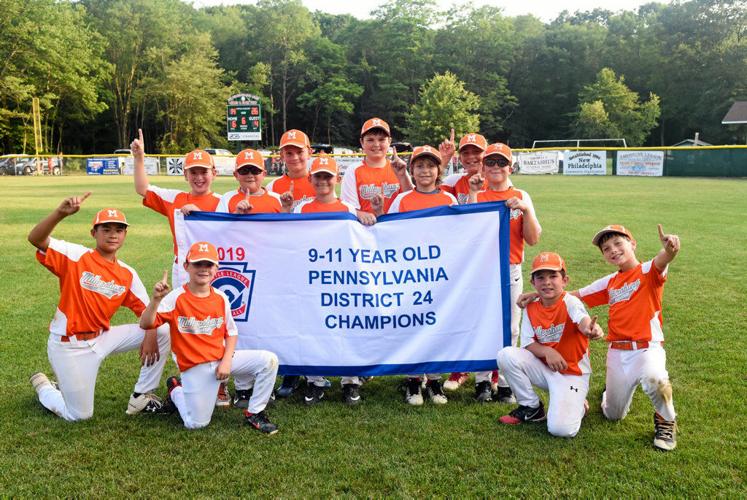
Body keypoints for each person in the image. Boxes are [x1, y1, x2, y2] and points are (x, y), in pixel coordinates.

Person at [28, 194, 170, 421]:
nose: (113, 234)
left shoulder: (127, 273)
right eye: (106, 229)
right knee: (79, 416)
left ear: (125, 234)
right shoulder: (75, 255)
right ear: (94, 233)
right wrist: (60, 214)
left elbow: (147, 313)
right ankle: (45, 388)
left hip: (103, 338)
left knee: (163, 330)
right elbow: (36, 239)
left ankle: (141, 396)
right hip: (70, 346)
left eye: (119, 229)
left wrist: (152, 332)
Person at [130, 130, 228, 406]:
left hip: (217, 271)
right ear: (185, 175)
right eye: (193, 172)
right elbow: (143, 189)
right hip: (184, 272)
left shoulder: (224, 202)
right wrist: (139, 158)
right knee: (184, 327)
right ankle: (187, 379)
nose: (199, 177)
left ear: (214, 173)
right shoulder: (177, 199)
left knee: (216, 326)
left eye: (203, 172)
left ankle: (219, 384)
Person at [139, 241, 279, 433]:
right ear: (186, 266)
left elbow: (231, 332)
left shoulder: (221, 297)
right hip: (196, 367)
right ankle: (175, 390)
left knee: (268, 361)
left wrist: (227, 361)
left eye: (209, 264)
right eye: (198, 264)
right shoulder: (175, 297)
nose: (203, 269)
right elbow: (146, 324)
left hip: (221, 359)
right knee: (196, 424)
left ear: (216, 269)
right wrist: (155, 300)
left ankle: (255, 412)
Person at [578, 224, 680, 450]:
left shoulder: (648, 270)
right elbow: (572, 296)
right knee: (613, 415)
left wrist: (671, 249)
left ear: (632, 244)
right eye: (606, 248)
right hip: (617, 352)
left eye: (618, 243)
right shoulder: (610, 282)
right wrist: (537, 295)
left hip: (647, 349)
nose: (613, 250)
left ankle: (666, 421)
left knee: (656, 378)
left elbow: (664, 259)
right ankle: (610, 393)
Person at [497, 252, 604, 437]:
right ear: (533, 283)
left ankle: (578, 404)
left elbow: (583, 320)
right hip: (546, 370)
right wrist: (547, 351)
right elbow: (528, 343)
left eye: (553, 276)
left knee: (561, 430)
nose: (546, 282)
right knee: (506, 355)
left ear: (565, 280)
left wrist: (591, 329)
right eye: (540, 277)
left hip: (572, 373)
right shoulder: (531, 306)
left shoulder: (570, 302)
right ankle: (531, 407)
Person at [382, 145, 457, 405]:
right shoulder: (403, 200)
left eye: (431, 166)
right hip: (410, 274)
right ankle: (413, 380)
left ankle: (435, 381)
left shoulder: (449, 200)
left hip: (438, 274)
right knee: (412, 324)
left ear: (439, 170)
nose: (425, 170)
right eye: (420, 166)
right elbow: (387, 234)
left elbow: (461, 234)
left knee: (437, 324)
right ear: (411, 170)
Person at [468, 143, 542, 403]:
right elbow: (470, 234)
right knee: (481, 324)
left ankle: (507, 382)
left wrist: (526, 209)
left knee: (511, 327)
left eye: (501, 163)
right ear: (483, 166)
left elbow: (533, 239)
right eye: (491, 162)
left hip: (509, 269)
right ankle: (483, 381)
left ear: (510, 166)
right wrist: (474, 194)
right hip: (481, 270)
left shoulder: (521, 194)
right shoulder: (478, 193)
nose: (496, 167)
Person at [296, 155, 371, 406]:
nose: (323, 181)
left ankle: (350, 380)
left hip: (343, 280)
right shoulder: (302, 209)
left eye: (328, 176)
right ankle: (315, 380)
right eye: (318, 176)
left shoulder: (349, 209)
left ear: (336, 178)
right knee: (312, 327)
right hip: (312, 278)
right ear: (310, 179)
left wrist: (371, 217)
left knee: (347, 327)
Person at [265, 129, 316, 397]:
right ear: (281, 155)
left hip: (315, 259)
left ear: (309, 152)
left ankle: (314, 372)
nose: (294, 156)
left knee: (312, 316)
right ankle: (289, 373)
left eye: (299, 150)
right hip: (285, 260)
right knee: (286, 317)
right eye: (289, 151)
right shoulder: (273, 186)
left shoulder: (321, 179)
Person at [340, 117, 413, 225]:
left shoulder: (397, 168)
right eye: (370, 140)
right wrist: (360, 214)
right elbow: (348, 208)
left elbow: (411, 200)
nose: (376, 144)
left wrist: (403, 176)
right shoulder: (354, 170)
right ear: (362, 142)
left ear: (389, 142)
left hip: (395, 231)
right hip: (365, 232)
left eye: (382, 139)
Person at [217, 148, 282, 214]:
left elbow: (285, 224)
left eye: (255, 171)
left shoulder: (278, 199)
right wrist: (236, 215)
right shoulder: (227, 199)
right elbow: (218, 223)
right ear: (236, 175)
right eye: (244, 171)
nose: (250, 175)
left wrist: (286, 208)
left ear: (264, 174)